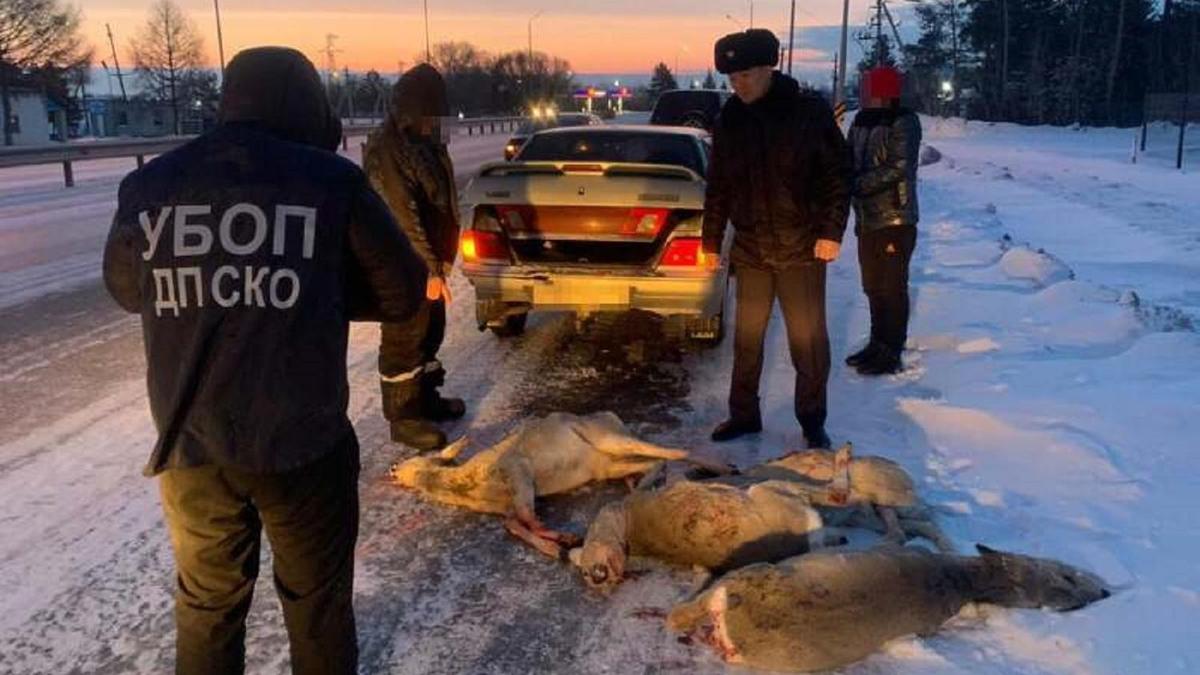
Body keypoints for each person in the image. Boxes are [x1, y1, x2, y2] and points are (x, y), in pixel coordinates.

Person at [102, 47, 427, 674]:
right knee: (316, 607)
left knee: (207, 607)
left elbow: (126, 288)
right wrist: (312, 288)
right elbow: (402, 291)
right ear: (305, 105)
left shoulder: (152, 185)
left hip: (191, 446)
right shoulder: (328, 181)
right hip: (303, 446)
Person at [702, 29, 852, 449]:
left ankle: (811, 419)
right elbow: (718, 187)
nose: (738, 84)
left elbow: (838, 175)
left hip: (802, 249)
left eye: (746, 74)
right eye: (731, 77)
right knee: (746, 340)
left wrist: (830, 232)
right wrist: (710, 242)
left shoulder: (808, 113)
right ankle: (744, 415)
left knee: (807, 341)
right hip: (751, 252)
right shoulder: (730, 118)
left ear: (770, 67)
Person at [363, 64, 465, 451]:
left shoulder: (425, 142)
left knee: (430, 331)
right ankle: (403, 417)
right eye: (433, 108)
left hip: (428, 260)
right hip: (402, 262)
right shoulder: (391, 150)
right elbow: (401, 215)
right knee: (405, 337)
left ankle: (426, 399)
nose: (439, 116)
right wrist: (428, 267)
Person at [845, 66, 922, 375]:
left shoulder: (904, 121)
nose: (863, 93)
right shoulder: (860, 122)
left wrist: (856, 184)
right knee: (872, 285)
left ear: (883, 92)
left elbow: (899, 166)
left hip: (894, 218)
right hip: (867, 218)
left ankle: (891, 349)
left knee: (892, 286)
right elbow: (846, 158)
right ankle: (877, 343)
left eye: (868, 88)